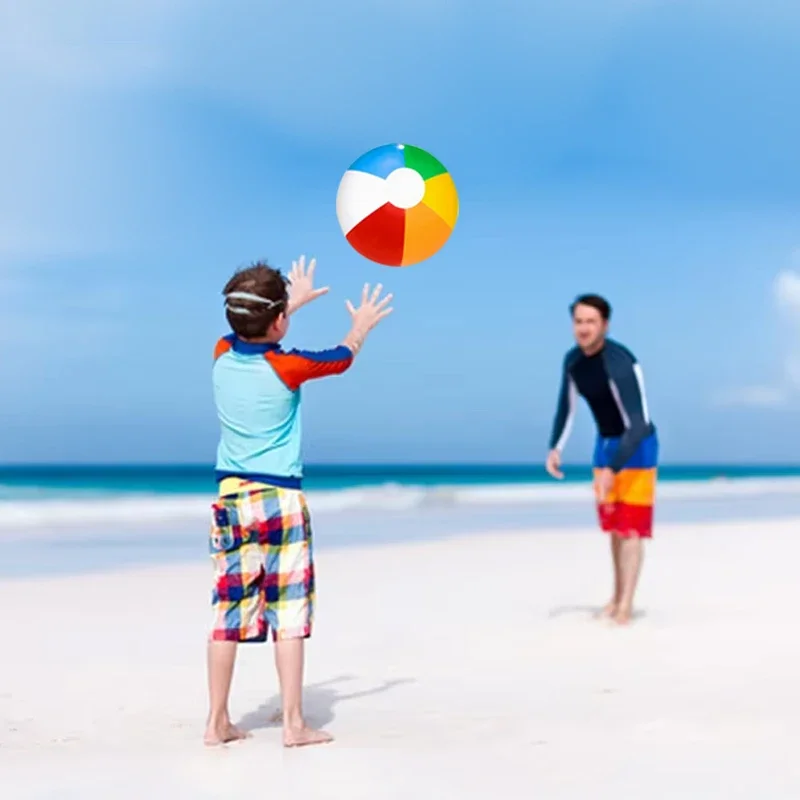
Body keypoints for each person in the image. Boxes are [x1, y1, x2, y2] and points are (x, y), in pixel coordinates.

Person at [205, 255, 393, 747]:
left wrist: (290, 306)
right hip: (279, 501)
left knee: (227, 613)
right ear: (278, 320)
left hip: (230, 500)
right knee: (288, 614)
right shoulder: (288, 367)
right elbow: (341, 357)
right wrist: (360, 325)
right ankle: (292, 724)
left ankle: (216, 722)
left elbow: (249, 329)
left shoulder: (220, 352)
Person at [545, 294, 657, 626]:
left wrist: (613, 467)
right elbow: (566, 406)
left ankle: (626, 605)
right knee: (614, 528)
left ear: (604, 325)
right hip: (605, 445)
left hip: (637, 448)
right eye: (578, 321)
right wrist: (555, 448)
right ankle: (616, 596)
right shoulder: (573, 362)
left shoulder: (620, 363)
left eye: (591, 322)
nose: (584, 328)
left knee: (631, 529)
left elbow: (639, 424)